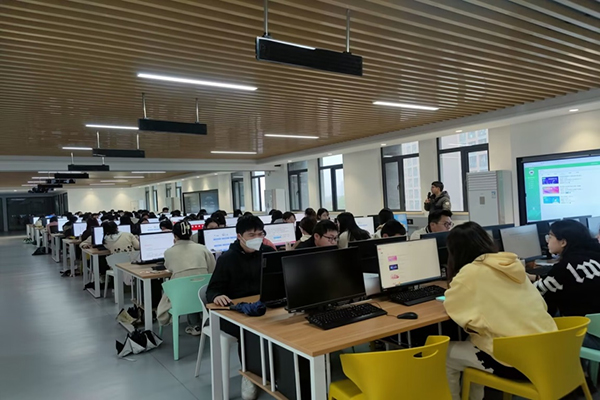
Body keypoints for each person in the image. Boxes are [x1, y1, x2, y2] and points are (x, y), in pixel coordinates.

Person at [443, 222, 557, 400]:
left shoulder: (470, 272)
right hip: (550, 352)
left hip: (519, 364)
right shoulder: (511, 265)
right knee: (474, 341)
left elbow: (454, 308)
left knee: (446, 355)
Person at [206, 216, 276, 400]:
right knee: (249, 332)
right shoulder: (227, 259)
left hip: (263, 306)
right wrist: (217, 296)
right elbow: (212, 289)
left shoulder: (268, 253)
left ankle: (279, 370)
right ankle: (249, 374)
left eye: (260, 234)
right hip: (236, 312)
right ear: (239, 236)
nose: (257, 238)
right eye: (251, 235)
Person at [530, 220, 600, 350]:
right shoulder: (595, 257)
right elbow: (567, 280)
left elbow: (534, 292)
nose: (547, 241)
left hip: (589, 334)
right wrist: (534, 277)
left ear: (563, 242)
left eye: (550, 236)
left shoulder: (564, 268)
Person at [157, 221, 216, 334]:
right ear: (191, 234)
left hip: (181, 297)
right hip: (203, 295)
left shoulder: (169, 252)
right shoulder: (202, 248)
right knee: (194, 286)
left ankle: (194, 325)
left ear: (175, 236)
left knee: (183, 288)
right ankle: (198, 324)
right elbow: (212, 269)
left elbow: (169, 267)